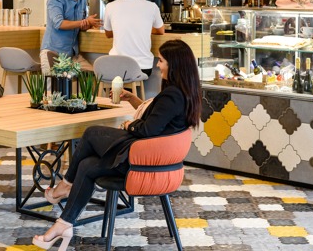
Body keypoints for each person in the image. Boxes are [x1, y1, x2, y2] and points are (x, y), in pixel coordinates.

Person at [32, 39, 202, 250]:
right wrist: (133, 100)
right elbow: (158, 119)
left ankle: (65, 185)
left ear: (174, 64)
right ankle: (63, 225)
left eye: (161, 61)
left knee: (91, 133)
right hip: (149, 157)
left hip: (140, 160)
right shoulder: (185, 93)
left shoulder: (173, 95)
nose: (158, 65)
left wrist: (130, 125)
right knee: (86, 165)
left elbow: (148, 130)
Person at [103, 0, 165, 76]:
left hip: (116, 66)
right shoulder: (152, 7)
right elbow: (161, 31)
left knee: (116, 83)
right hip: (143, 67)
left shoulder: (110, 6)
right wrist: (144, 29)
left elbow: (108, 34)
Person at [40, 0, 101, 75]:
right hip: (53, 53)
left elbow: (80, 24)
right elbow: (59, 23)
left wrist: (88, 24)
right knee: (53, 86)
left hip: (72, 55)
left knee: (93, 75)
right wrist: (84, 21)